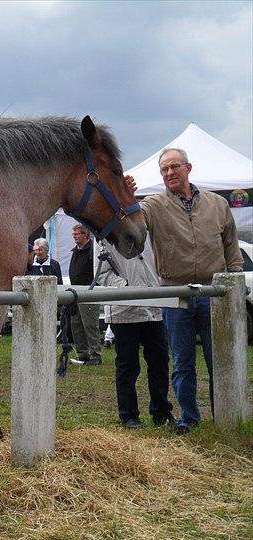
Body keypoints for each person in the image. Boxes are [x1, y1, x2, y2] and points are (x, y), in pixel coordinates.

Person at [126, 149, 243, 433]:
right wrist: (127, 196)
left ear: (188, 168)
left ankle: (226, 418)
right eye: (164, 169)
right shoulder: (153, 205)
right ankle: (189, 419)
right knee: (182, 362)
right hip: (175, 292)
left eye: (174, 167)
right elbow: (133, 223)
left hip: (213, 291)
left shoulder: (217, 204)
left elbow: (230, 243)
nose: (169, 173)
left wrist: (235, 279)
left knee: (220, 360)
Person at [97, 239, 176, 429]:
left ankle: (161, 412)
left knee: (159, 360)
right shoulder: (104, 236)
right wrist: (127, 287)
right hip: (124, 310)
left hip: (153, 307)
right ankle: (128, 415)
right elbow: (101, 273)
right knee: (128, 365)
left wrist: (157, 284)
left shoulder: (149, 228)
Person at [69, 224, 101, 366]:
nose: (74, 236)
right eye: (73, 234)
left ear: (85, 235)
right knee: (76, 324)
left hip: (89, 293)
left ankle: (96, 355)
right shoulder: (76, 251)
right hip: (75, 293)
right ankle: (82, 354)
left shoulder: (92, 251)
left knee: (89, 325)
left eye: (77, 234)